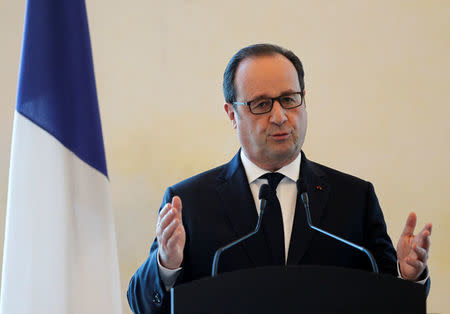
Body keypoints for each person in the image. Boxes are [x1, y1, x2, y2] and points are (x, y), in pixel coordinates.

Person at [127, 44, 432, 313]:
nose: (280, 116)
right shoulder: (190, 202)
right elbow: (142, 304)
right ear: (232, 114)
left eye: (289, 99)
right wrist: (166, 266)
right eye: (261, 104)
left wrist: (409, 278)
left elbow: (389, 300)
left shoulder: (354, 198)